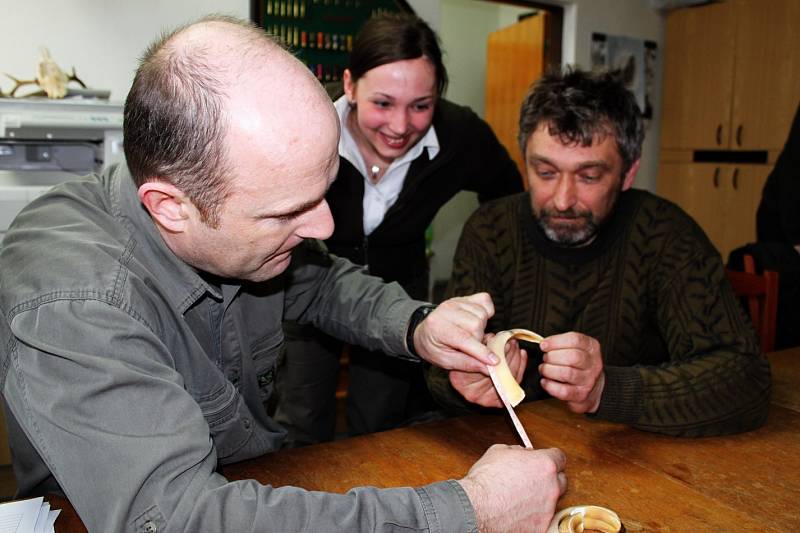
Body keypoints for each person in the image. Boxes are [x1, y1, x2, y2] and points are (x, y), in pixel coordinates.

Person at [0, 16, 567, 532]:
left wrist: (419, 326)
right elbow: (176, 520)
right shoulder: (74, 301)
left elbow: (319, 281)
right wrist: (469, 510)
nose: (322, 226)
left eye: (322, 194)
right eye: (287, 212)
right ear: (171, 206)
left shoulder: (229, 212)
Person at [427, 68, 772, 437]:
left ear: (628, 173)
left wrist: (607, 389)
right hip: (505, 451)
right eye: (544, 172)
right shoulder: (490, 230)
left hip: (634, 455)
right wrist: (462, 379)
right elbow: (436, 372)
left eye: (589, 177)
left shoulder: (665, 235)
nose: (562, 200)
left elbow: (746, 379)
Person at [275, 13, 524, 445]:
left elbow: (506, 198)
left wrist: (482, 272)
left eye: (421, 106)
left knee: (381, 424)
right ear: (350, 85)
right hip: (308, 285)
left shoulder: (460, 135)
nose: (400, 126)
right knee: (299, 418)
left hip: (398, 297)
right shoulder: (305, 125)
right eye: (383, 103)